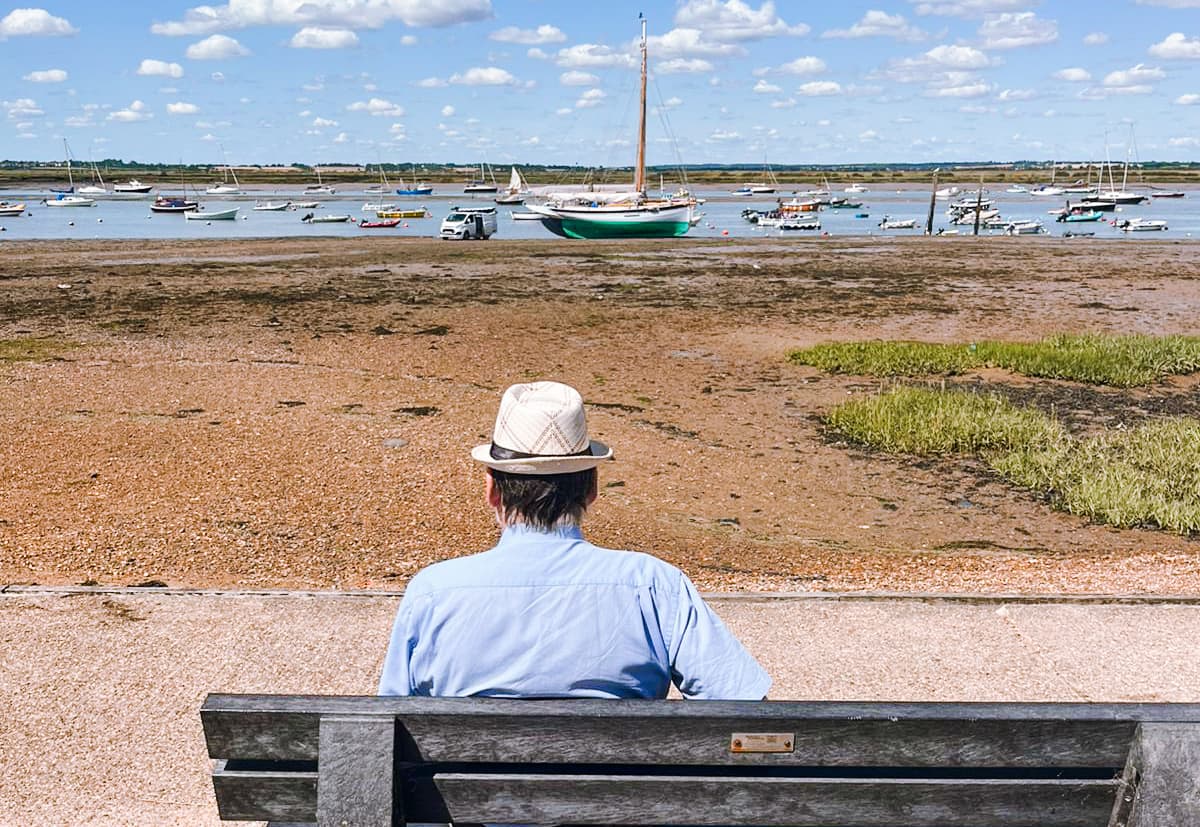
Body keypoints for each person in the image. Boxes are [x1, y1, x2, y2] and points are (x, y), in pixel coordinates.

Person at [379, 380, 770, 700]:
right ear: (592, 489)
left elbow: (388, 725)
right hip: (621, 778)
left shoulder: (434, 592)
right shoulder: (655, 586)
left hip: (459, 779)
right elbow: (745, 709)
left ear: (492, 491)